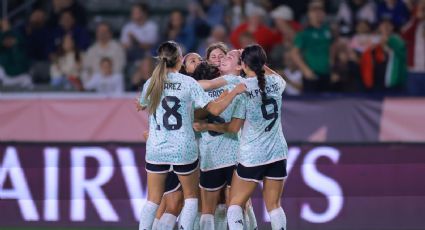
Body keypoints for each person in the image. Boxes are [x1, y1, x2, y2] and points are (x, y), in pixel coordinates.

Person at [137, 41, 246, 230]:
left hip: (157, 148)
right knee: (190, 199)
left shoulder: (151, 82)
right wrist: (233, 92)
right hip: (183, 147)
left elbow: (143, 104)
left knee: (153, 200)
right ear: (179, 60)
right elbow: (214, 108)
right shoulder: (188, 83)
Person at [199, 44, 288, 230]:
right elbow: (275, 76)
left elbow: (213, 99)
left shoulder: (243, 87)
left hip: (252, 154)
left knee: (234, 206)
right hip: (278, 152)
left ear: (243, 65)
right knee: (274, 207)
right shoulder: (276, 83)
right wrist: (256, 62)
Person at [291, 0, 332, 93]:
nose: (318, 13)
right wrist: (305, 70)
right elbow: (294, 53)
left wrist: (332, 64)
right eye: (314, 10)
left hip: (327, 72)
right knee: (311, 105)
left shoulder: (328, 30)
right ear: (309, 14)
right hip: (312, 73)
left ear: (324, 13)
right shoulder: (304, 33)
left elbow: (332, 47)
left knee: (327, 104)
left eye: (320, 10)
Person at [0, 20, 32, 88]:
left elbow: (21, 40)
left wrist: (9, 30)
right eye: (6, 40)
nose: (8, 41)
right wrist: (4, 31)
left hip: (18, 77)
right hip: (4, 77)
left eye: (10, 39)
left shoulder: (19, 48)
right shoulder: (2, 50)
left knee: (27, 80)